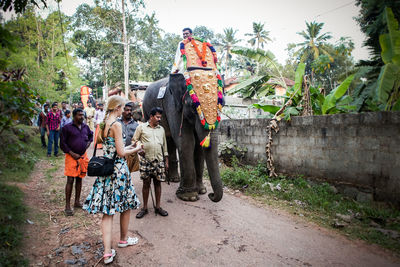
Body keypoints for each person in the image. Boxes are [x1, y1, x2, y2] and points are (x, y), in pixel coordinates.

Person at [83, 95, 142, 265]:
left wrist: (129, 147)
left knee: (107, 212)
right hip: (119, 171)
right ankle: (123, 239)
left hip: (106, 171)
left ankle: (107, 253)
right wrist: (137, 148)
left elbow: (114, 149)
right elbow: (122, 153)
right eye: (123, 107)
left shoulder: (103, 124)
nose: (124, 110)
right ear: (117, 107)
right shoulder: (116, 125)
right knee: (126, 205)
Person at [133, 107, 169, 219]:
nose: (159, 119)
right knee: (146, 184)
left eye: (160, 117)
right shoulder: (141, 127)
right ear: (151, 116)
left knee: (158, 183)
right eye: (157, 117)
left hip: (159, 160)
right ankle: (144, 208)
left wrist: (166, 161)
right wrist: (139, 149)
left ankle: (158, 207)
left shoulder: (161, 129)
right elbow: (134, 140)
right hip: (145, 161)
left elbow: (165, 146)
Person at [60, 108, 93, 216]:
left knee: (79, 178)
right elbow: (63, 144)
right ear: (74, 116)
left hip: (82, 157)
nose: (82, 117)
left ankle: (77, 202)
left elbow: (90, 136)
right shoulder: (66, 128)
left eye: (82, 115)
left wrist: (86, 146)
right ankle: (67, 206)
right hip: (71, 156)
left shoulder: (85, 127)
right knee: (70, 179)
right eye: (79, 115)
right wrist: (72, 153)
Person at [118, 102, 139, 173]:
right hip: (119, 152)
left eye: (130, 110)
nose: (129, 112)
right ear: (122, 111)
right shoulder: (117, 123)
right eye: (127, 110)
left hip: (130, 153)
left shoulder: (136, 125)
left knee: (128, 174)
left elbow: (138, 139)